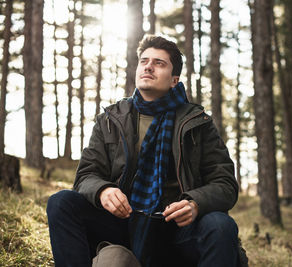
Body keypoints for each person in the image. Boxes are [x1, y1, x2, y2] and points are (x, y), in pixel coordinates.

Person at [46, 35, 240, 267]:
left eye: (159, 63)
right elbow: (86, 175)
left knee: (220, 225)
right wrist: (103, 191)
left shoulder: (198, 122)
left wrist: (195, 203)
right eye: (144, 61)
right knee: (61, 202)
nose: (148, 66)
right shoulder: (111, 118)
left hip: (178, 229)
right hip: (122, 223)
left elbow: (225, 184)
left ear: (174, 80)